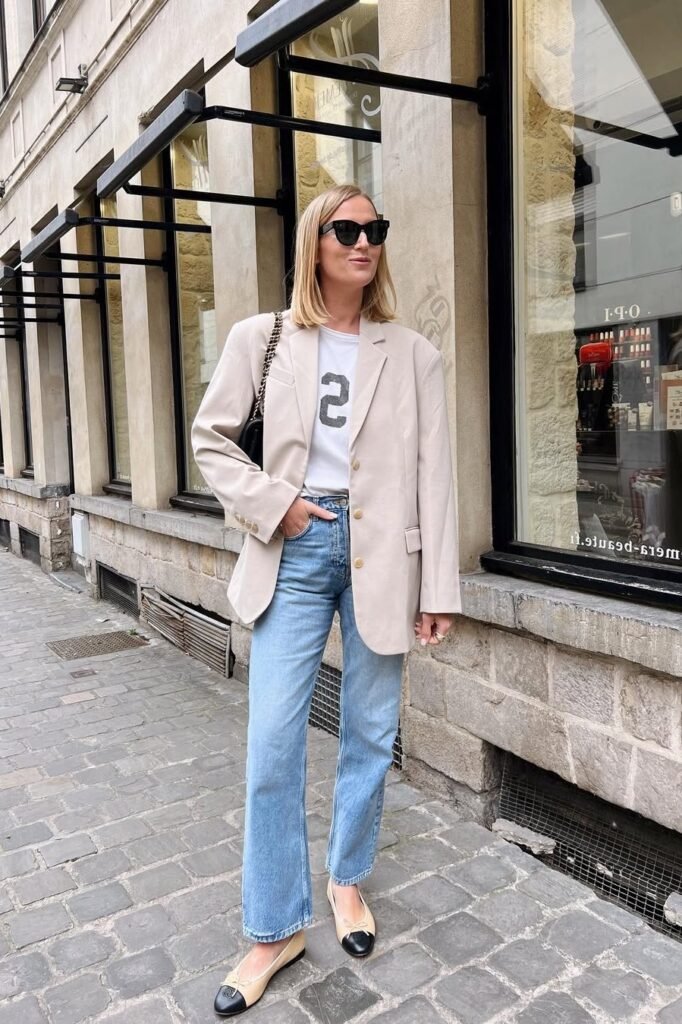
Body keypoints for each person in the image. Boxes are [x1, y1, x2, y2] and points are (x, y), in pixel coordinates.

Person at [191, 183, 461, 1017]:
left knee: (371, 733)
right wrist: (281, 505)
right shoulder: (263, 338)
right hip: (296, 544)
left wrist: (438, 584)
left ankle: (346, 880)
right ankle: (273, 929)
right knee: (273, 744)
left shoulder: (411, 352)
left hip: (387, 556)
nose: (364, 240)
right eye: (347, 228)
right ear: (315, 242)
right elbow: (209, 438)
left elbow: (435, 475)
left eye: (375, 228)